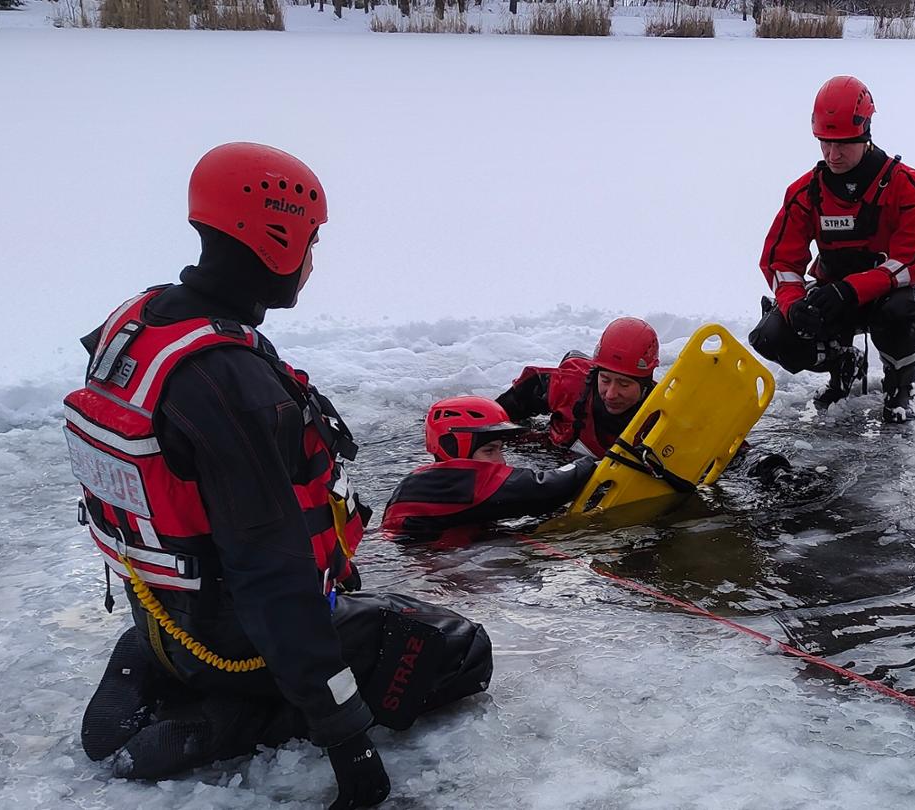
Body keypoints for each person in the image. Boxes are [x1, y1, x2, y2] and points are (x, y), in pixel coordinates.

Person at [67, 143, 491, 809]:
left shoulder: (145, 321)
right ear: (275, 235)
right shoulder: (229, 380)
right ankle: (238, 715)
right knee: (458, 648)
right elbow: (272, 576)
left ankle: (162, 670)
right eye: (311, 240)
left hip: (160, 619)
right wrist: (348, 740)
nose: (313, 260)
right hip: (232, 635)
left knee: (318, 610)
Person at [749, 75, 915, 422]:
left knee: (901, 315)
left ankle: (899, 386)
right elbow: (780, 261)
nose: (832, 154)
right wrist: (793, 306)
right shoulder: (806, 191)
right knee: (772, 336)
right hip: (830, 294)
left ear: (866, 134)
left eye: (843, 144)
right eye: (825, 143)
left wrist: (853, 289)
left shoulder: (905, 184)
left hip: (893, 293)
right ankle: (842, 363)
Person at [381, 396, 597, 547]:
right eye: (489, 450)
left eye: (500, 450)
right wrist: (594, 464)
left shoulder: (429, 484)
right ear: (454, 448)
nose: (501, 461)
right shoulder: (449, 482)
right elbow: (544, 488)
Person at [495, 316, 659, 459]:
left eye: (624, 384)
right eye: (605, 380)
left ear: (645, 386)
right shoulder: (569, 384)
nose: (610, 394)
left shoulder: (662, 412)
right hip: (553, 456)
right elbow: (496, 415)